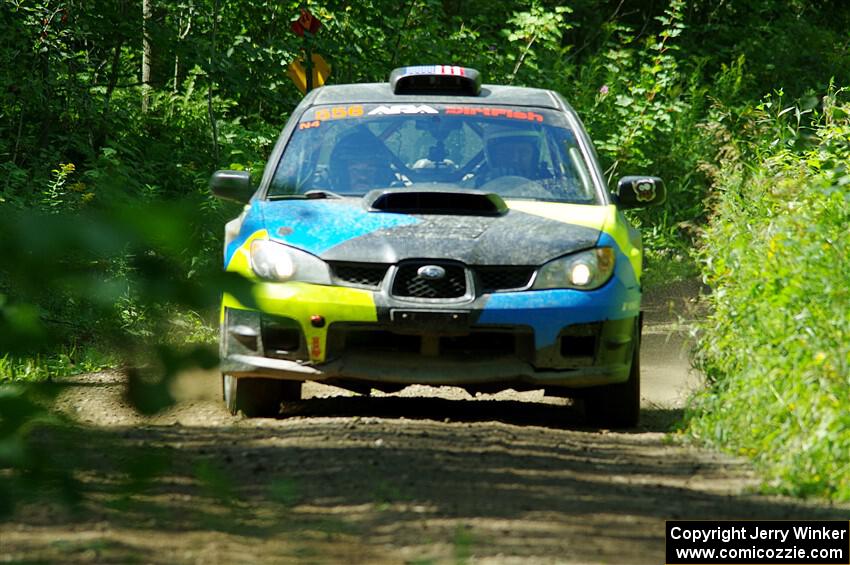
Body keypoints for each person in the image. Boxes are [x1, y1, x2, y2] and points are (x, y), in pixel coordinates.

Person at [328, 129, 398, 193]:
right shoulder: (323, 201)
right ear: (343, 174)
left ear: (379, 175)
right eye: (355, 170)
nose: (363, 177)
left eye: (370, 170)